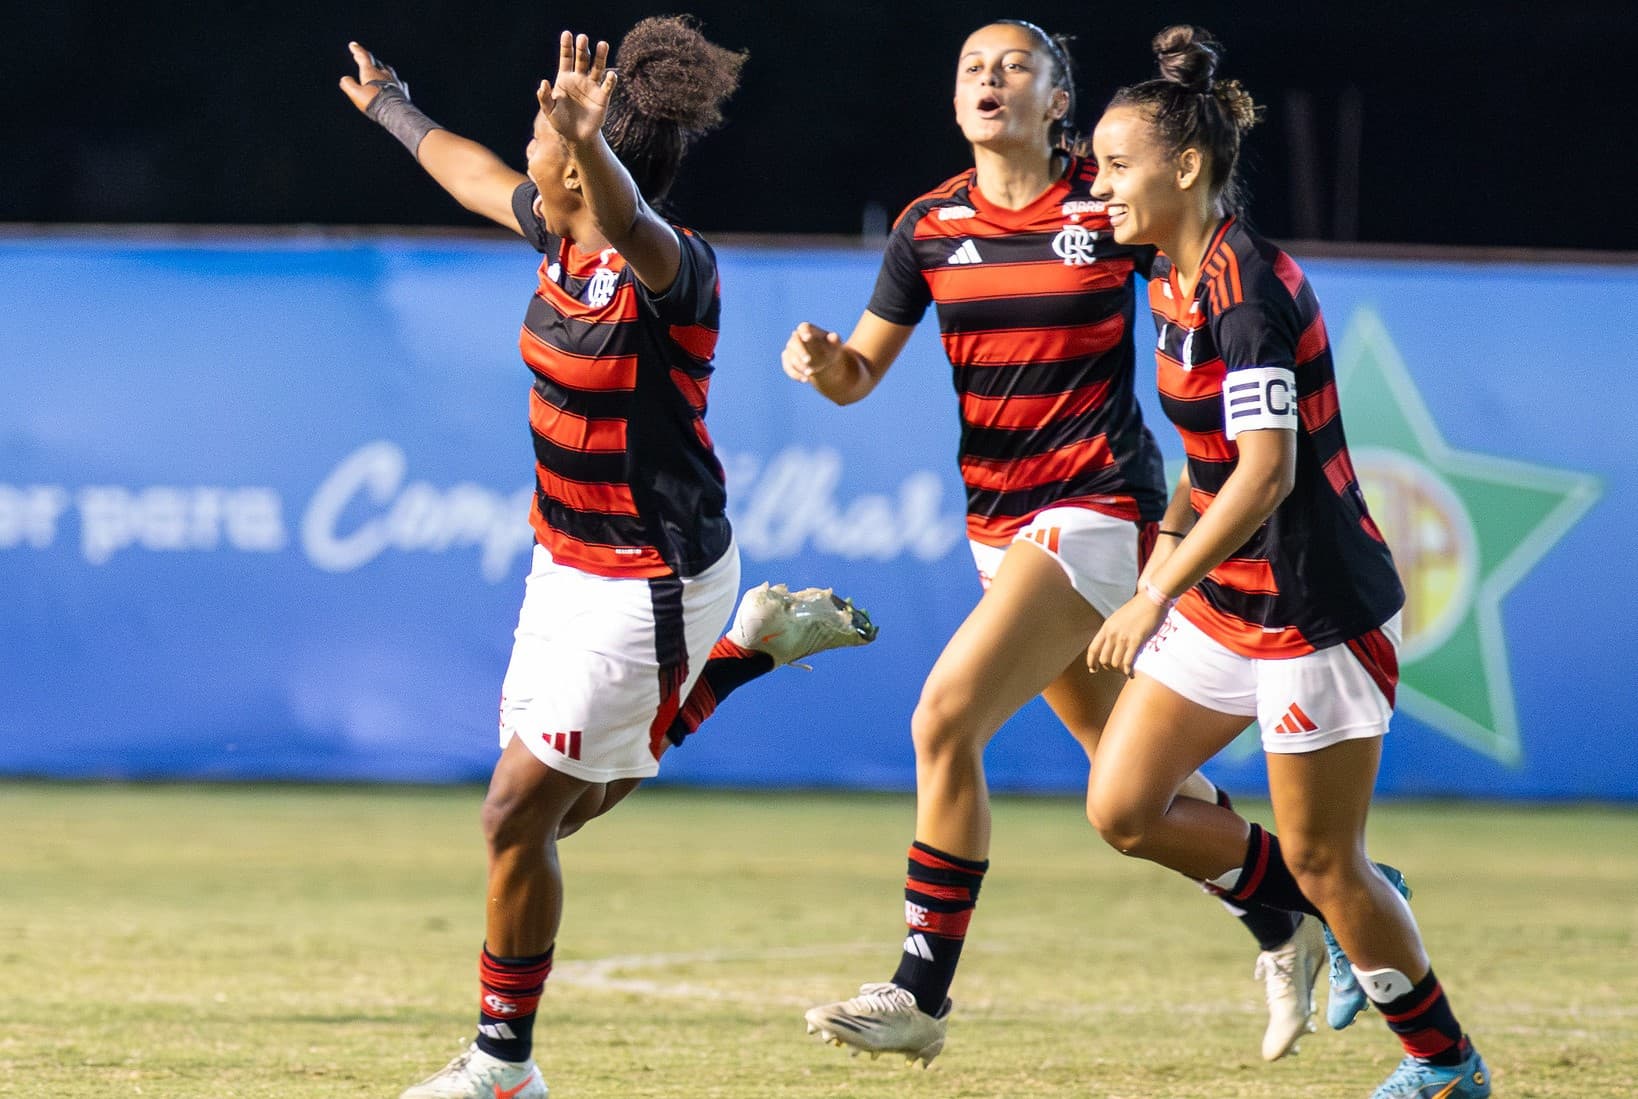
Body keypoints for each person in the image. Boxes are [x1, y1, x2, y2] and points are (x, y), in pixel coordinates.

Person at [340, 24, 875, 1098]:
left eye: (547, 132)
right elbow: (467, 170)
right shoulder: (557, 231)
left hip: (654, 576)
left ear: (587, 162)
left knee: (515, 815)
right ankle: (743, 658)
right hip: (564, 560)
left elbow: (630, 219)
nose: (529, 142)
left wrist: (586, 140)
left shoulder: (671, 269)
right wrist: (392, 103)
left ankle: (503, 1068)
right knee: (563, 811)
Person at [789, 19, 1324, 1067]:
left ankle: (920, 992)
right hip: (997, 524)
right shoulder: (928, 225)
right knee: (1134, 786)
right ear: (956, 100)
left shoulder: (1107, 199)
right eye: (972, 68)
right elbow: (859, 374)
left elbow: (1198, 273)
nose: (990, 79)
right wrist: (822, 361)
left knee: (944, 717)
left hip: (1098, 509)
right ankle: (1307, 907)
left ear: (1060, 99)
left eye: (1015, 65)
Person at [1082, 25, 1491, 1099]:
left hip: (1316, 608)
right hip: (1230, 599)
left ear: (1185, 167)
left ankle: (1443, 1060)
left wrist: (1152, 592)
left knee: (1322, 856)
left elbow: (1266, 474)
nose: (1099, 185)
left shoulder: (1244, 291)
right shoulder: (1168, 281)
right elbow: (1210, 462)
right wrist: (1169, 550)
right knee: (1123, 806)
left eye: (1116, 165)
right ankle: (1344, 897)